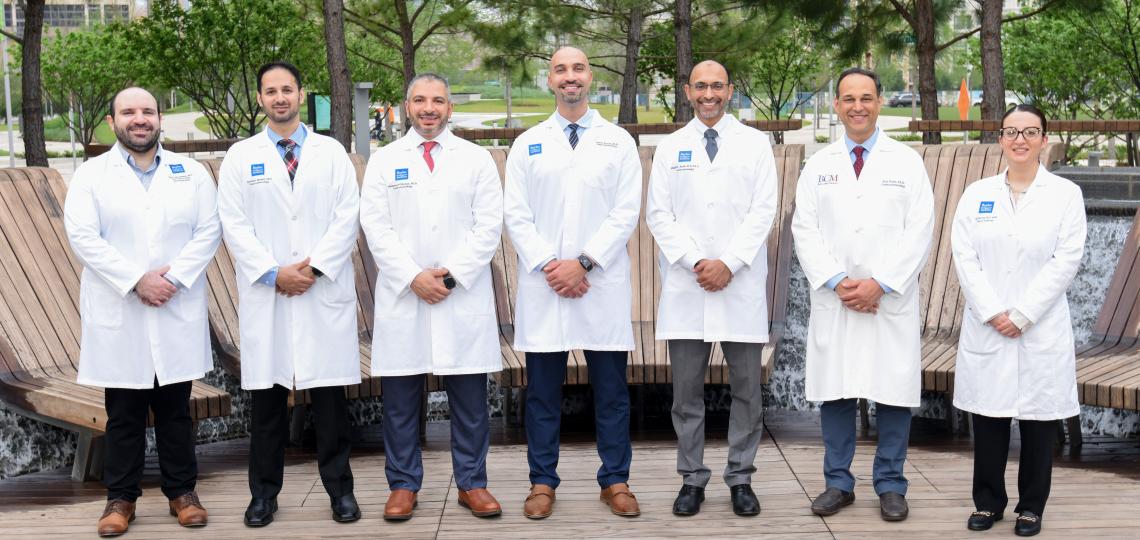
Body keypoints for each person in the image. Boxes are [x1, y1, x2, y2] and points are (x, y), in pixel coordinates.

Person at [64, 87, 221, 537]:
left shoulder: (190, 173)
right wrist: (137, 280)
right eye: (129, 112)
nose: (140, 119)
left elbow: (209, 230)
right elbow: (83, 237)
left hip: (174, 303)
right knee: (124, 412)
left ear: (159, 119)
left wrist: (173, 279)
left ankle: (182, 493)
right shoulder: (92, 175)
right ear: (112, 122)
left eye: (148, 111)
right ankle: (120, 499)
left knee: (176, 410)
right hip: (122, 308)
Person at [217, 61, 361, 527]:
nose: (279, 98)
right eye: (270, 91)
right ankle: (263, 495)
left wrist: (313, 269)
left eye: (287, 89)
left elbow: (347, 217)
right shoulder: (240, 157)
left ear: (301, 94)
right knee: (267, 406)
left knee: (331, 404)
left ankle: (341, 491)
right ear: (260, 98)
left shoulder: (331, 153)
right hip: (270, 293)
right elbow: (233, 224)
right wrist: (273, 273)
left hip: (321, 290)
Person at [503, 46, 643, 519]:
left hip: (599, 282)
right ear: (550, 80)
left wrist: (583, 263)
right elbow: (516, 214)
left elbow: (626, 211)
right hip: (546, 284)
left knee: (612, 392)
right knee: (542, 393)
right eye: (560, 69)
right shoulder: (529, 143)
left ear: (590, 77)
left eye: (578, 68)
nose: (570, 77)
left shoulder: (617, 142)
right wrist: (552, 265)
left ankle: (616, 480)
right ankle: (542, 482)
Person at [790, 67, 934, 522]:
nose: (858, 106)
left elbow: (920, 230)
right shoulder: (819, 165)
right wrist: (837, 281)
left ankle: (891, 484)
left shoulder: (906, 162)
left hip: (887, 299)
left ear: (879, 102)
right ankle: (838, 482)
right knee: (837, 392)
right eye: (849, 98)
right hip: (837, 299)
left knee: (892, 392)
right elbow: (804, 229)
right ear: (836, 105)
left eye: (866, 98)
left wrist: (880, 284)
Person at [360, 73, 505, 521]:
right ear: (407, 107)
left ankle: (472, 483)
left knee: (470, 399)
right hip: (405, 294)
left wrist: (451, 276)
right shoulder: (385, 161)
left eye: (438, 100)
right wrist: (413, 277)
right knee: (401, 400)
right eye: (420, 100)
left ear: (449, 108)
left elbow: (488, 226)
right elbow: (376, 227)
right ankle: (403, 485)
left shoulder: (476, 160)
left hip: (460, 295)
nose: (429, 108)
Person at [646, 60, 777, 518]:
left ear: (730, 90)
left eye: (716, 86)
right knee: (686, 394)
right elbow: (658, 215)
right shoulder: (671, 147)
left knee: (747, 391)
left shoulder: (755, 144)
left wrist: (730, 263)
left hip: (739, 285)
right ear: (687, 91)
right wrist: (697, 262)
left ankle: (741, 478)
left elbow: (764, 210)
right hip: (688, 285)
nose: (708, 94)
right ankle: (691, 479)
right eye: (700, 86)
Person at [951, 105, 1086, 537]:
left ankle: (1031, 507)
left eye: (1030, 132)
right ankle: (988, 503)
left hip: (1040, 326)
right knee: (989, 418)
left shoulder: (1065, 195)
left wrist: (1024, 314)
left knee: (1039, 422)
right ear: (1000, 139)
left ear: (1044, 139)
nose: (1020, 140)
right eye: (1011, 132)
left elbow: (1066, 260)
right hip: (988, 324)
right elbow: (964, 256)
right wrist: (994, 311)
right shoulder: (977, 194)